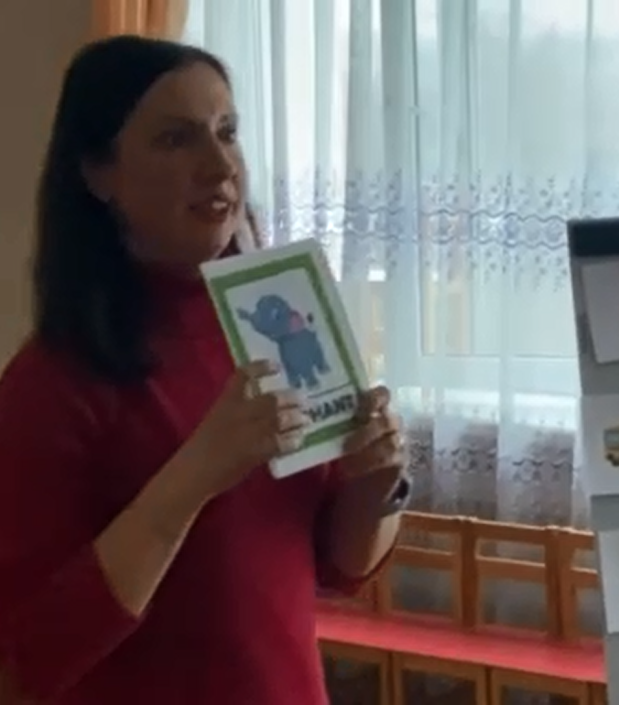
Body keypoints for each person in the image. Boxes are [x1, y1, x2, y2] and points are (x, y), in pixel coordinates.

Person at [0, 36, 410, 704]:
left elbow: (340, 567)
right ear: (99, 174)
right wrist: (194, 475)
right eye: (175, 140)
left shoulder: (276, 321)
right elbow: (27, 662)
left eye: (227, 132)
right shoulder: (50, 382)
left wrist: (378, 483)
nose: (220, 166)